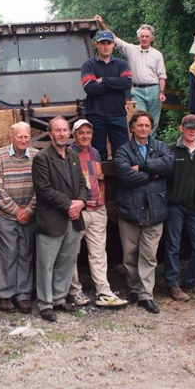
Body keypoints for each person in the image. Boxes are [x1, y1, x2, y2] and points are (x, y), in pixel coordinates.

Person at [114, 111, 174, 314]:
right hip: (130, 209)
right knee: (130, 253)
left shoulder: (160, 147)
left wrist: (142, 167)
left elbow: (169, 166)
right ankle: (134, 289)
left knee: (149, 255)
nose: (143, 129)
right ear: (132, 127)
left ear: (151, 128)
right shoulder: (123, 150)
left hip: (155, 209)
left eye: (147, 126)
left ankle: (146, 295)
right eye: (140, 125)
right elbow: (125, 176)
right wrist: (154, 174)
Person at [31, 117, 88, 322]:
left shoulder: (73, 155)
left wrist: (81, 202)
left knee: (66, 261)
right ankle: (45, 304)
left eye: (65, 130)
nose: (62, 133)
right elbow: (44, 190)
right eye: (58, 130)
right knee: (46, 264)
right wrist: (69, 206)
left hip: (73, 219)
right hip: (52, 220)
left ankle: (59, 298)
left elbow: (82, 183)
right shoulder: (42, 158)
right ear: (50, 133)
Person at [67, 119, 128, 308]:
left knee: (99, 253)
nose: (85, 136)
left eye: (88, 133)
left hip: (97, 209)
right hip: (80, 211)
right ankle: (74, 291)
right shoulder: (68, 154)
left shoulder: (94, 152)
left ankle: (103, 291)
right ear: (74, 135)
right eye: (81, 133)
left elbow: (100, 180)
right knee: (72, 253)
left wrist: (101, 204)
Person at [164, 114, 195, 302]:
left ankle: (191, 282)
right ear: (181, 128)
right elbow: (165, 178)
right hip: (175, 206)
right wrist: (169, 198)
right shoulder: (171, 151)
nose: (192, 131)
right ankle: (172, 284)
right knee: (173, 246)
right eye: (188, 127)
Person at [0, 122, 38, 314]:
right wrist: (16, 210)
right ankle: (5, 295)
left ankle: (23, 295)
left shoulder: (36, 155)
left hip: (29, 214)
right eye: (20, 136)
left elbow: (41, 186)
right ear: (12, 136)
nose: (23, 140)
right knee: (9, 254)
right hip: (7, 215)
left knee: (25, 253)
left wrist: (28, 211)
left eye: (26, 136)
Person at [95, 16, 167, 130]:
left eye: (147, 36)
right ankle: (140, 146)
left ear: (152, 38)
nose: (144, 39)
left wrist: (161, 92)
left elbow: (162, 75)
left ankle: (150, 146)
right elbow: (114, 38)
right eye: (142, 36)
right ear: (138, 37)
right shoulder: (131, 49)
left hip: (154, 89)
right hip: (137, 90)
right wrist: (102, 25)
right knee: (140, 120)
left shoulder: (157, 54)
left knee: (154, 122)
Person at [80, 30, 133, 160]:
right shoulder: (88, 65)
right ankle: (99, 180)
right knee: (98, 153)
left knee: (122, 153)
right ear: (96, 44)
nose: (106, 46)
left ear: (113, 44)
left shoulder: (121, 64)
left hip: (118, 114)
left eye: (108, 43)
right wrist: (115, 85)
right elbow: (90, 87)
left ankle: (122, 180)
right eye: (102, 43)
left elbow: (127, 83)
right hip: (96, 115)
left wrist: (103, 80)